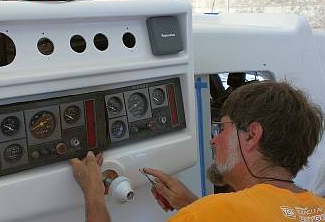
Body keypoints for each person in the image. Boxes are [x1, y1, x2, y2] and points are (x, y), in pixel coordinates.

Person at [70, 81, 325, 222]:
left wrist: (92, 191)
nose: (213, 141)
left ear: (251, 136)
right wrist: (191, 204)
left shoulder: (213, 213)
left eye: (222, 129)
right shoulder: (318, 207)